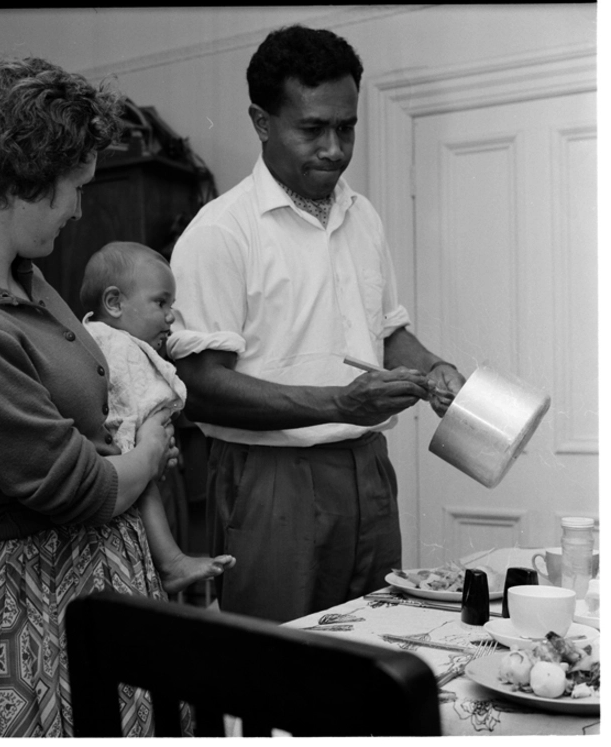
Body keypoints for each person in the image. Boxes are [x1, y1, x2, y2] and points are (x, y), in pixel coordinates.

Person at [0, 57, 191, 737]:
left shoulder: (25, 276)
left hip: (101, 580)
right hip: (38, 610)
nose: (80, 207)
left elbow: (82, 428)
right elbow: (79, 488)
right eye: (73, 187)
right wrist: (143, 450)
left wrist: (117, 460)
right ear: (23, 176)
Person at [168, 25, 466, 624]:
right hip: (269, 481)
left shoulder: (364, 217)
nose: (334, 147)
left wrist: (433, 367)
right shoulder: (220, 231)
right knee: (278, 681)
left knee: (380, 649)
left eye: (347, 126)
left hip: (367, 468)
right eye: (312, 129)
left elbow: (383, 332)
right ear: (261, 121)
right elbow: (200, 387)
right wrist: (338, 402)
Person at [79, 240, 236, 593]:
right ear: (115, 303)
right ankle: (171, 562)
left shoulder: (95, 336)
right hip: (119, 461)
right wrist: (149, 446)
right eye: (161, 302)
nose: (170, 316)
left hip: (123, 458)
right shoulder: (118, 346)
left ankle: (169, 562)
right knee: (146, 493)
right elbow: (135, 412)